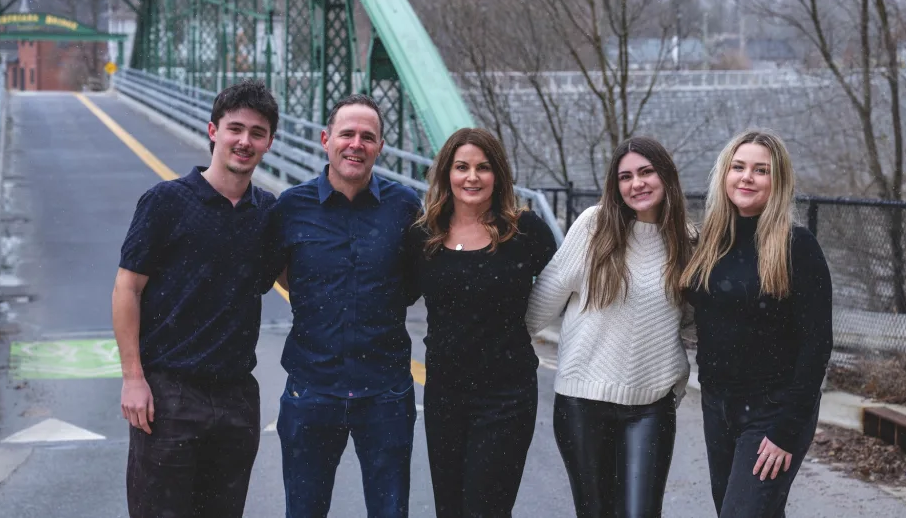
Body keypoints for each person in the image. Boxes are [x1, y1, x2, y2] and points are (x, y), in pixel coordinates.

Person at [112, 79, 280, 518]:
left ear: (269, 143)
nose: (245, 141)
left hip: (237, 397)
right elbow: (127, 289)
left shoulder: (269, 214)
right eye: (235, 128)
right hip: (169, 393)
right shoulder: (165, 201)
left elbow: (305, 281)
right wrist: (133, 378)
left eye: (257, 133)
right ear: (213, 131)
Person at [270, 94, 422, 518]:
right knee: (303, 511)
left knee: (390, 512)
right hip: (311, 388)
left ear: (380, 147)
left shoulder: (405, 207)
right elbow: (279, 272)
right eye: (347, 134)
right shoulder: (291, 207)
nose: (356, 144)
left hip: (386, 390)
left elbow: (414, 281)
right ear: (326, 139)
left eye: (368, 137)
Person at [526, 136, 693, 518]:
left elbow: (694, 322)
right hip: (582, 404)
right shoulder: (594, 226)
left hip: (651, 406)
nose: (637, 184)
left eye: (647, 172)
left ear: (666, 176)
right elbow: (541, 303)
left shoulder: (687, 242)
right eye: (626, 176)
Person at [404, 128, 557, 518]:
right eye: (461, 167)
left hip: (505, 397)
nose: (471, 177)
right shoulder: (424, 236)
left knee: (486, 509)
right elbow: (391, 295)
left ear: (498, 175)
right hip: (444, 396)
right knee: (450, 510)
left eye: (483, 167)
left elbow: (569, 289)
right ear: (446, 174)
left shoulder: (525, 232)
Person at [681, 130, 833, 518]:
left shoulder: (797, 247)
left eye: (761, 170)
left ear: (777, 182)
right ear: (724, 175)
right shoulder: (709, 244)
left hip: (774, 409)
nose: (747, 177)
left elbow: (817, 345)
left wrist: (786, 430)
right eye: (738, 167)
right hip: (717, 405)